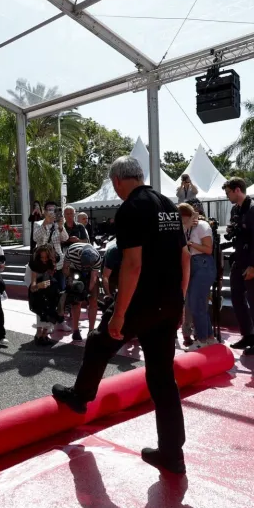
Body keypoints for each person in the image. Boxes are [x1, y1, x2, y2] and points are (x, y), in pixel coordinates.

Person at [52, 156, 191, 474]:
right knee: (163, 379)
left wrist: (119, 314)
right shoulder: (169, 205)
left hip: (143, 301)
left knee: (99, 341)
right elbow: (185, 258)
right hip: (169, 301)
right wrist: (179, 302)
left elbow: (133, 265)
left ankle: (80, 396)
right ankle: (173, 454)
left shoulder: (131, 208)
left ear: (117, 181)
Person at [223, 177, 254, 354]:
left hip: (252, 260)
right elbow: (238, 232)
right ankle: (248, 335)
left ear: (237, 190)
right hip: (239, 258)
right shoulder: (236, 209)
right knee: (236, 297)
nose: (227, 196)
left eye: (228, 192)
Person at [178, 202, 216, 349]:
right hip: (193, 265)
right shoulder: (187, 227)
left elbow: (208, 249)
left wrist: (191, 243)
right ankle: (209, 337)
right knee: (197, 305)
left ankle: (202, 339)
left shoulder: (201, 226)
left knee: (197, 304)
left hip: (203, 264)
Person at [62, 242, 102, 343]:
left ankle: (91, 331)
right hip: (75, 270)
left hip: (91, 273)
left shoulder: (97, 258)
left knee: (93, 301)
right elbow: (65, 268)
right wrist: (69, 279)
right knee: (76, 301)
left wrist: (88, 291)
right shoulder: (72, 251)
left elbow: (93, 277)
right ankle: (75, 330)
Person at [28, 245, 63, 346]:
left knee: (52, 308)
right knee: (41, 310)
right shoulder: (35, 264)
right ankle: (39, 335)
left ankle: (44, 334)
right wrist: (39, 285)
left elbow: (51, 276)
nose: (44, 259)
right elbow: (32, 287)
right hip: (38, 290)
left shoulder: (53, 262)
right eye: (41, 257)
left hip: (50, 288)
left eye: (46, 257)